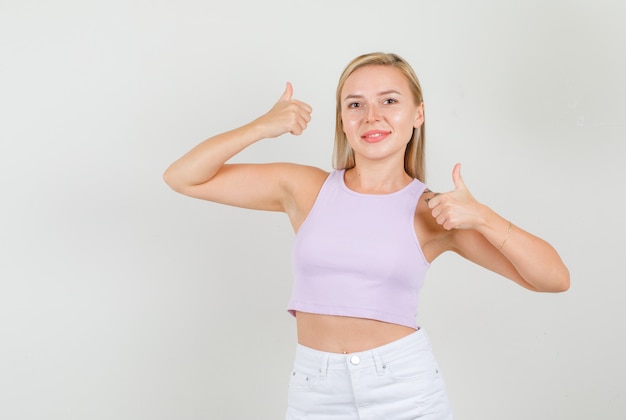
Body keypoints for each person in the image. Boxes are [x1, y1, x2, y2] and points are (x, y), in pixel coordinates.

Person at [163, 52, 569, 419]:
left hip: (403, 390)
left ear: (418, 114)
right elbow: (182, 177)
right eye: (355, 104)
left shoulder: (433, 212)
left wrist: (483, 217)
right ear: (342, 120)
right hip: (314, 392)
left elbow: (553, 279)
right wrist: (261, 127)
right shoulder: (305, 189)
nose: (371, 116)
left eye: (389, 101)